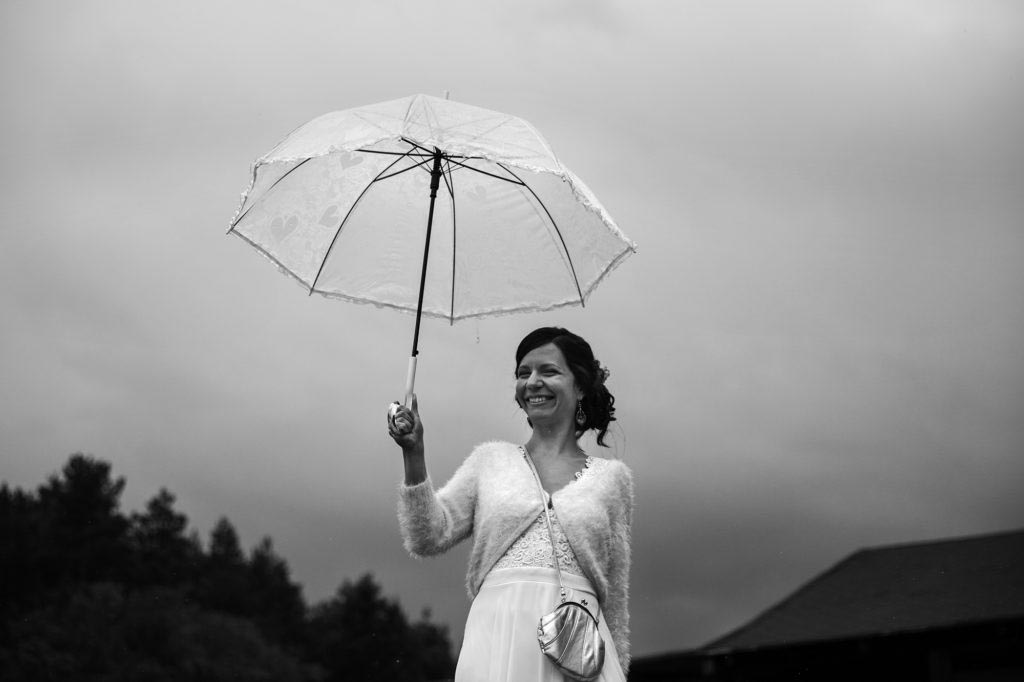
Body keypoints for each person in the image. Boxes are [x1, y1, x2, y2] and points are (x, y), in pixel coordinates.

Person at [389, 327, 634, 681]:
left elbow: (616, 600)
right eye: (523, 373)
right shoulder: (489, 460)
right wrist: (414, 453)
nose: (532, 381)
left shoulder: (614, 478)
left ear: (580, 385)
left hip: (578, 648)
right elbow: (427, 536)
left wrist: (617, 668)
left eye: (548, 371)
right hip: (497, 637)